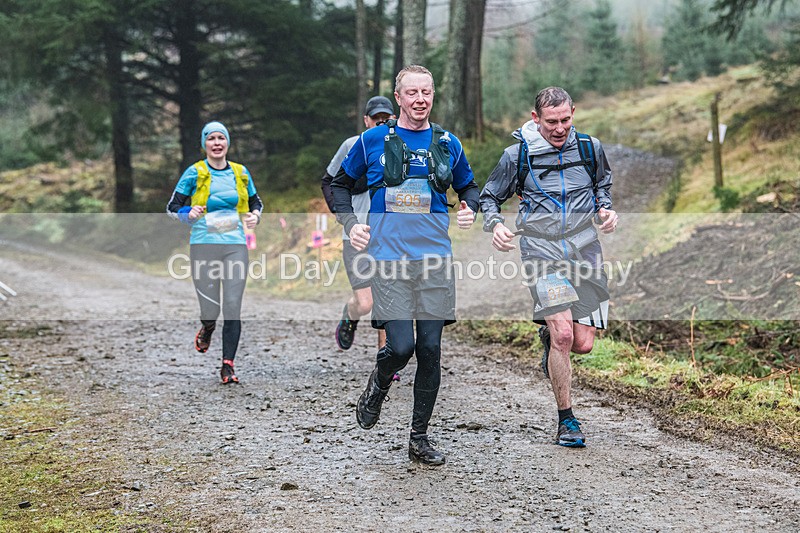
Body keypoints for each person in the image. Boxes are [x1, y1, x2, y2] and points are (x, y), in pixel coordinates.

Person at [331, 65, 479, 466]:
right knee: (400, 347)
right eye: (412, 92)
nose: (420, 99)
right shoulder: (372, 140)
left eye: (426, 92)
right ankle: (378, 384)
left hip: (435, 260)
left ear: (433, 95)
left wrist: (470, 206)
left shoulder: (447, 142)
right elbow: (338, 185)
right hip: (389, 259)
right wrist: (351, 223)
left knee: (430, 350)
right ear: (398, 98)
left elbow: (468, 185)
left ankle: (419, 438)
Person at [479, 87, 618, 447]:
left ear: (574, 113)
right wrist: (495, 225)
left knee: (583, 344)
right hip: (541, 253)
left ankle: (549, 341)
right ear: (535, 117)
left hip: (585, 250)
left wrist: (605, 208)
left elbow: (602, 184)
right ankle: (566, 420)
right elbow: (489, 197)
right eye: (551, 121)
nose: (559, 129)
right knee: (565, 336)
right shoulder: (517, 155)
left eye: (565, 120)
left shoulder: (589, 148)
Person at [167, 121, 263, 384]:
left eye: (221, 138)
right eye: (211, 138)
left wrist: (255, 215)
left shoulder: (240, 172)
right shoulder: (194, 172)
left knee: (232, 305)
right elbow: (172, 207)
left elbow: (255, 202)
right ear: (205, 144)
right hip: (203, 245)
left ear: (228, 143)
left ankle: (227, 366)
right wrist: (188, 213)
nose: (217, 143)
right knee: (210, 309)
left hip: (235, 245)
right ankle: (208, 327)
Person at [321, 96, 395, 355]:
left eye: (386, 118)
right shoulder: (352, 145)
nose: (381, 122)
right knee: (366, 303)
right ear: (366, 120)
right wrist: (342, 214)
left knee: (386, 297)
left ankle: (385, 359)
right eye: (376, 118)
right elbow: (329, 181)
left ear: (394, 119)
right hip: (356, 235)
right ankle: (350, 314)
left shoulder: (400, 146)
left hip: (388, 235)